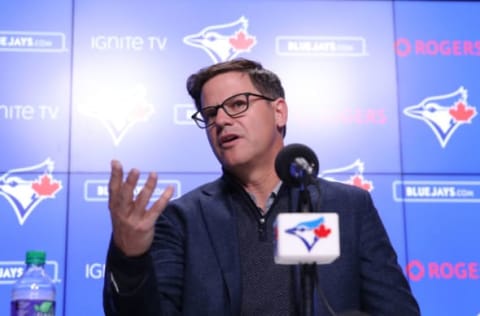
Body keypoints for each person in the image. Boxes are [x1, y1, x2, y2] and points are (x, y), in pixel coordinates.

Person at [103, 58, 420, 316]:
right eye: (210, 114)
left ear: (279, 111)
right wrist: (130, 257)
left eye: (237, 104)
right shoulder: (183, 219)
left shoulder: (348, 206)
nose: (222, 121)